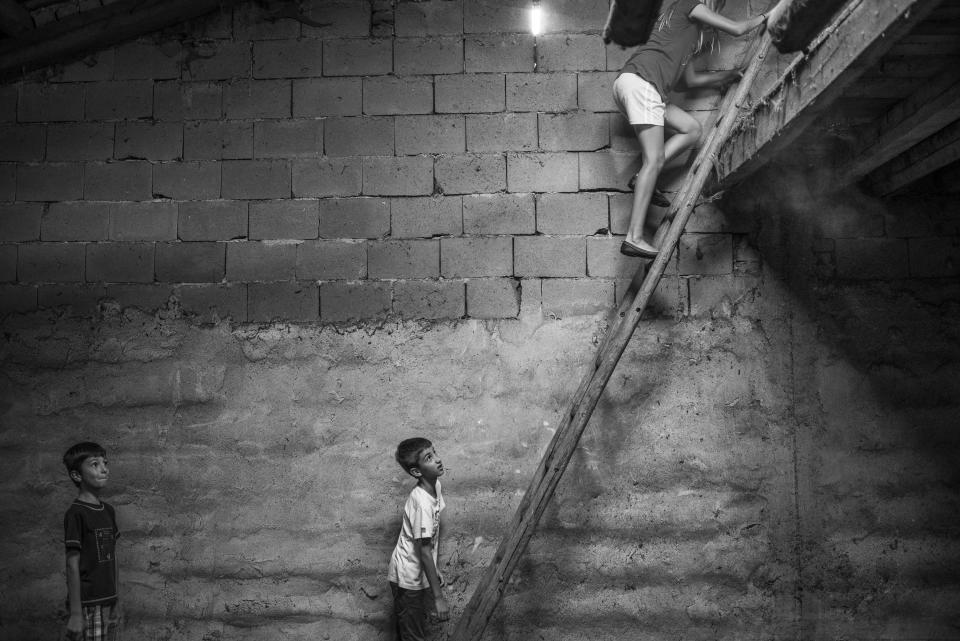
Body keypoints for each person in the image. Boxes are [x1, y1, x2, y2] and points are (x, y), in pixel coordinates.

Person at [614, 0, 777, 258]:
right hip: (642, 83)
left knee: (691, 129)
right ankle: (634, 237)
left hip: (640, 86)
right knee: (653, 160)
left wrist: (729, 75)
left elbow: (688, 82)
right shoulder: (688, 3)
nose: (715, 7)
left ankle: (641, 178)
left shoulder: (691, 37)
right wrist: (770, 15)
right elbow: (737, 29)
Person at [388, 437, 448, 640]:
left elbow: (427, 541)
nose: (438, 460)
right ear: (416, 471)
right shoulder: (421, 502)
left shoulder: (435, 485)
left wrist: (433, 568)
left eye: (435, 452)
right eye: (429, 458)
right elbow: (423, 549)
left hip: (416, 570)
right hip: (407, 577)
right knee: (413, 636)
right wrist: (438, 597)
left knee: (411, 631)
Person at [62, 442, 121, 641]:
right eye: (95, 464)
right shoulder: (76, 513)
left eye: (105, 463)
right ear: (77, 475)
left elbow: (113, 558)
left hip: (107, 602)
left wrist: (116, 600)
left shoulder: (108, 511)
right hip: (87, 604)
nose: (104, 468)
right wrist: (76, 614)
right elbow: (72, 564)